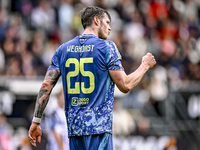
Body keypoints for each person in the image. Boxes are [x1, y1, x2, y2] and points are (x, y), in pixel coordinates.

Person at [28, 6, 156, 150]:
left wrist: (36, 121)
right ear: (96, 20)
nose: (109, 28)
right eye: (107, 22)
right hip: (98, 130)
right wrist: (144, 65)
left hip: (74, 131)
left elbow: (46, 85)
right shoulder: (106, 48)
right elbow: (125, 85)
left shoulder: (63, 49)